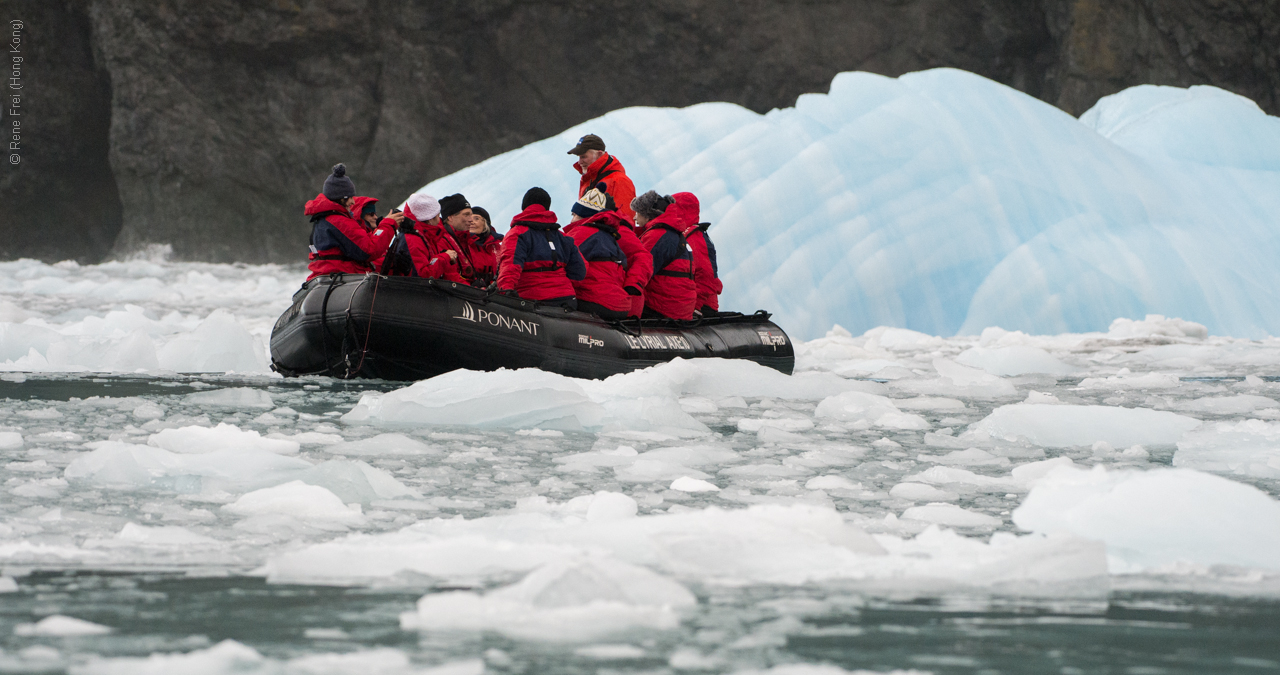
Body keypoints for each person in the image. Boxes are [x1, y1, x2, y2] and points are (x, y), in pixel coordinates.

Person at [563, 185, 653, 321]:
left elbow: (566, 261)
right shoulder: (611, 235)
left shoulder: (586, 233)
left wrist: (632, 287)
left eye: (574, 215)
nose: (571, 220)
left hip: (603, 300)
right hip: (622, 304)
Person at [496, 187, 586, 309]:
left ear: (524, 207)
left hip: (533, 301)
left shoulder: (517, 233)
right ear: (547, 208)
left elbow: (510, 266)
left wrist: (504, 293)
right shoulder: (564, 238)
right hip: (566, 300)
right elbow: (579, 272)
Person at [304, 164, 395, 280]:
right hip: (343, 277)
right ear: (340, 197)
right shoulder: (339, 221)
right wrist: (388, 225)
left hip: (328, 277)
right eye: (350, 197)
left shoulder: (322, 218)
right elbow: (368, 251)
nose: (353, 202)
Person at [632, 190, 697, 320]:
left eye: (637, 213)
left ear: (647, 215)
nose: (634, 217)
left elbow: (640, 271)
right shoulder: (672, 233)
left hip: (663, 308)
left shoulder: (656, 235)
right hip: (679, 308)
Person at [381, 193, 464, 280]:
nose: (440, 219)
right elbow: (423, 276)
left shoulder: (423, 233)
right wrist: (445, 257)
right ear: (430, 219)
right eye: (437, 215)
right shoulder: (414, 239)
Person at [568, 134, 637, 221]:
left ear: (599, 154)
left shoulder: (619, 181)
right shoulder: (588, 180)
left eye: (584, 156)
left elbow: (625, 222)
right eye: (579, 157)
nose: (579, 162)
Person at [677, 194, 724, 315]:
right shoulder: (683, 235)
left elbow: (707, 277)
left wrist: (694, 307)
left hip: (702, 307)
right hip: (690, 304)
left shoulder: (696, 239)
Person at [468, 206, 503, 287]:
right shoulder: (462, 243)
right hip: (470, 290)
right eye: (469, 218)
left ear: (485, 223)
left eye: (476, 218)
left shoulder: (497, 247)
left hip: (495, 291)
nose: (471, 222)